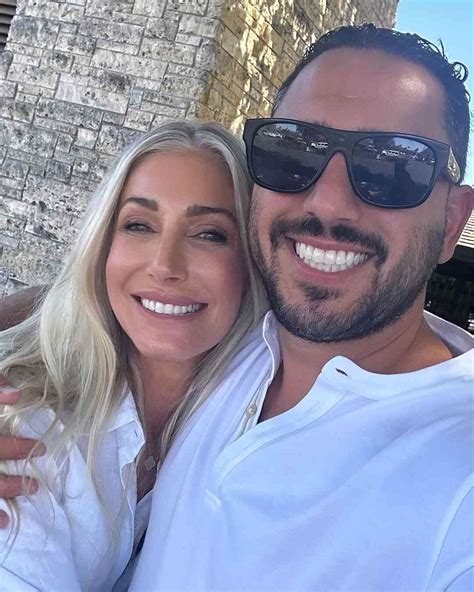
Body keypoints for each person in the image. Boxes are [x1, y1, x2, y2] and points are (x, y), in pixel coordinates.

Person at [1, 23, 473, 592]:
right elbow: (85, 298)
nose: (328, 201)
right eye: (293, 150)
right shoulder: (243, 339)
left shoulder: (457, 473)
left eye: (392, 167)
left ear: (452, 222)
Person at [0, 120, 266, 590]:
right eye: (139, 226)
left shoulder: (265, 403)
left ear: (251, 263)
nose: (165, 266)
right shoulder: (27, 422)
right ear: (102, 247)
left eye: (209, 234)